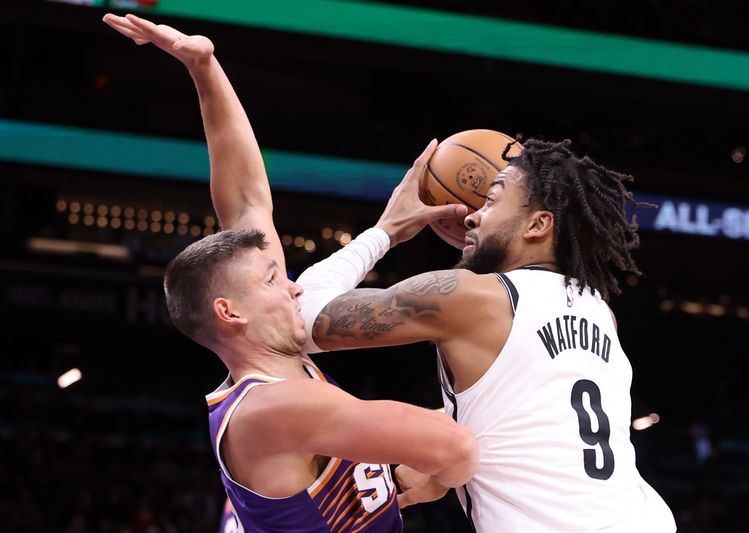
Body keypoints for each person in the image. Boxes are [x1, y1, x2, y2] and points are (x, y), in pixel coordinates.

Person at [102, 13, 478, 533]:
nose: (294, 285)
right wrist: (433, 472)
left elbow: (248, 202)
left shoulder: (280, 372)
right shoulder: (273, 407)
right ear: (230, 312)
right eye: (272, 281)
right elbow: (455, 446)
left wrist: (205, 66)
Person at [297, 139, 678, 531]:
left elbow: (301, 317)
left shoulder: (472, 297)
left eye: (492, 202)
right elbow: (529, 418)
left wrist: (386, 230)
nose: (472, 218)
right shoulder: (600, 312)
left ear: (538, 224)